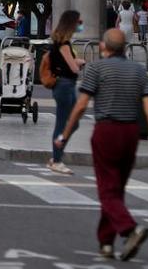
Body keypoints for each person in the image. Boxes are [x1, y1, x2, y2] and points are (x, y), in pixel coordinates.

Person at [55, 29, 148, 262]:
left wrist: (65, 135)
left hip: (106, 131)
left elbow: (82, 105)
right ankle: (106, 242)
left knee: (106, 189)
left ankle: (129, 229)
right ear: (125, 48)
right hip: (131, 133)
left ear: (104, 47)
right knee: (116, 189)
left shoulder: (96, 68)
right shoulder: (138, 70)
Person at [47, 10, 87, 175]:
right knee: (63, 123)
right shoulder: (63, 44)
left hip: (66, 85)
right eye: (79, 22)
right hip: (64, 85)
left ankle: (57, 155)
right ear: (71, 23)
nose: (81, 25)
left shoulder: (63, 42)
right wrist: (80, 62)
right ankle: (56, 160)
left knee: (73, 122)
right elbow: (72, 67)